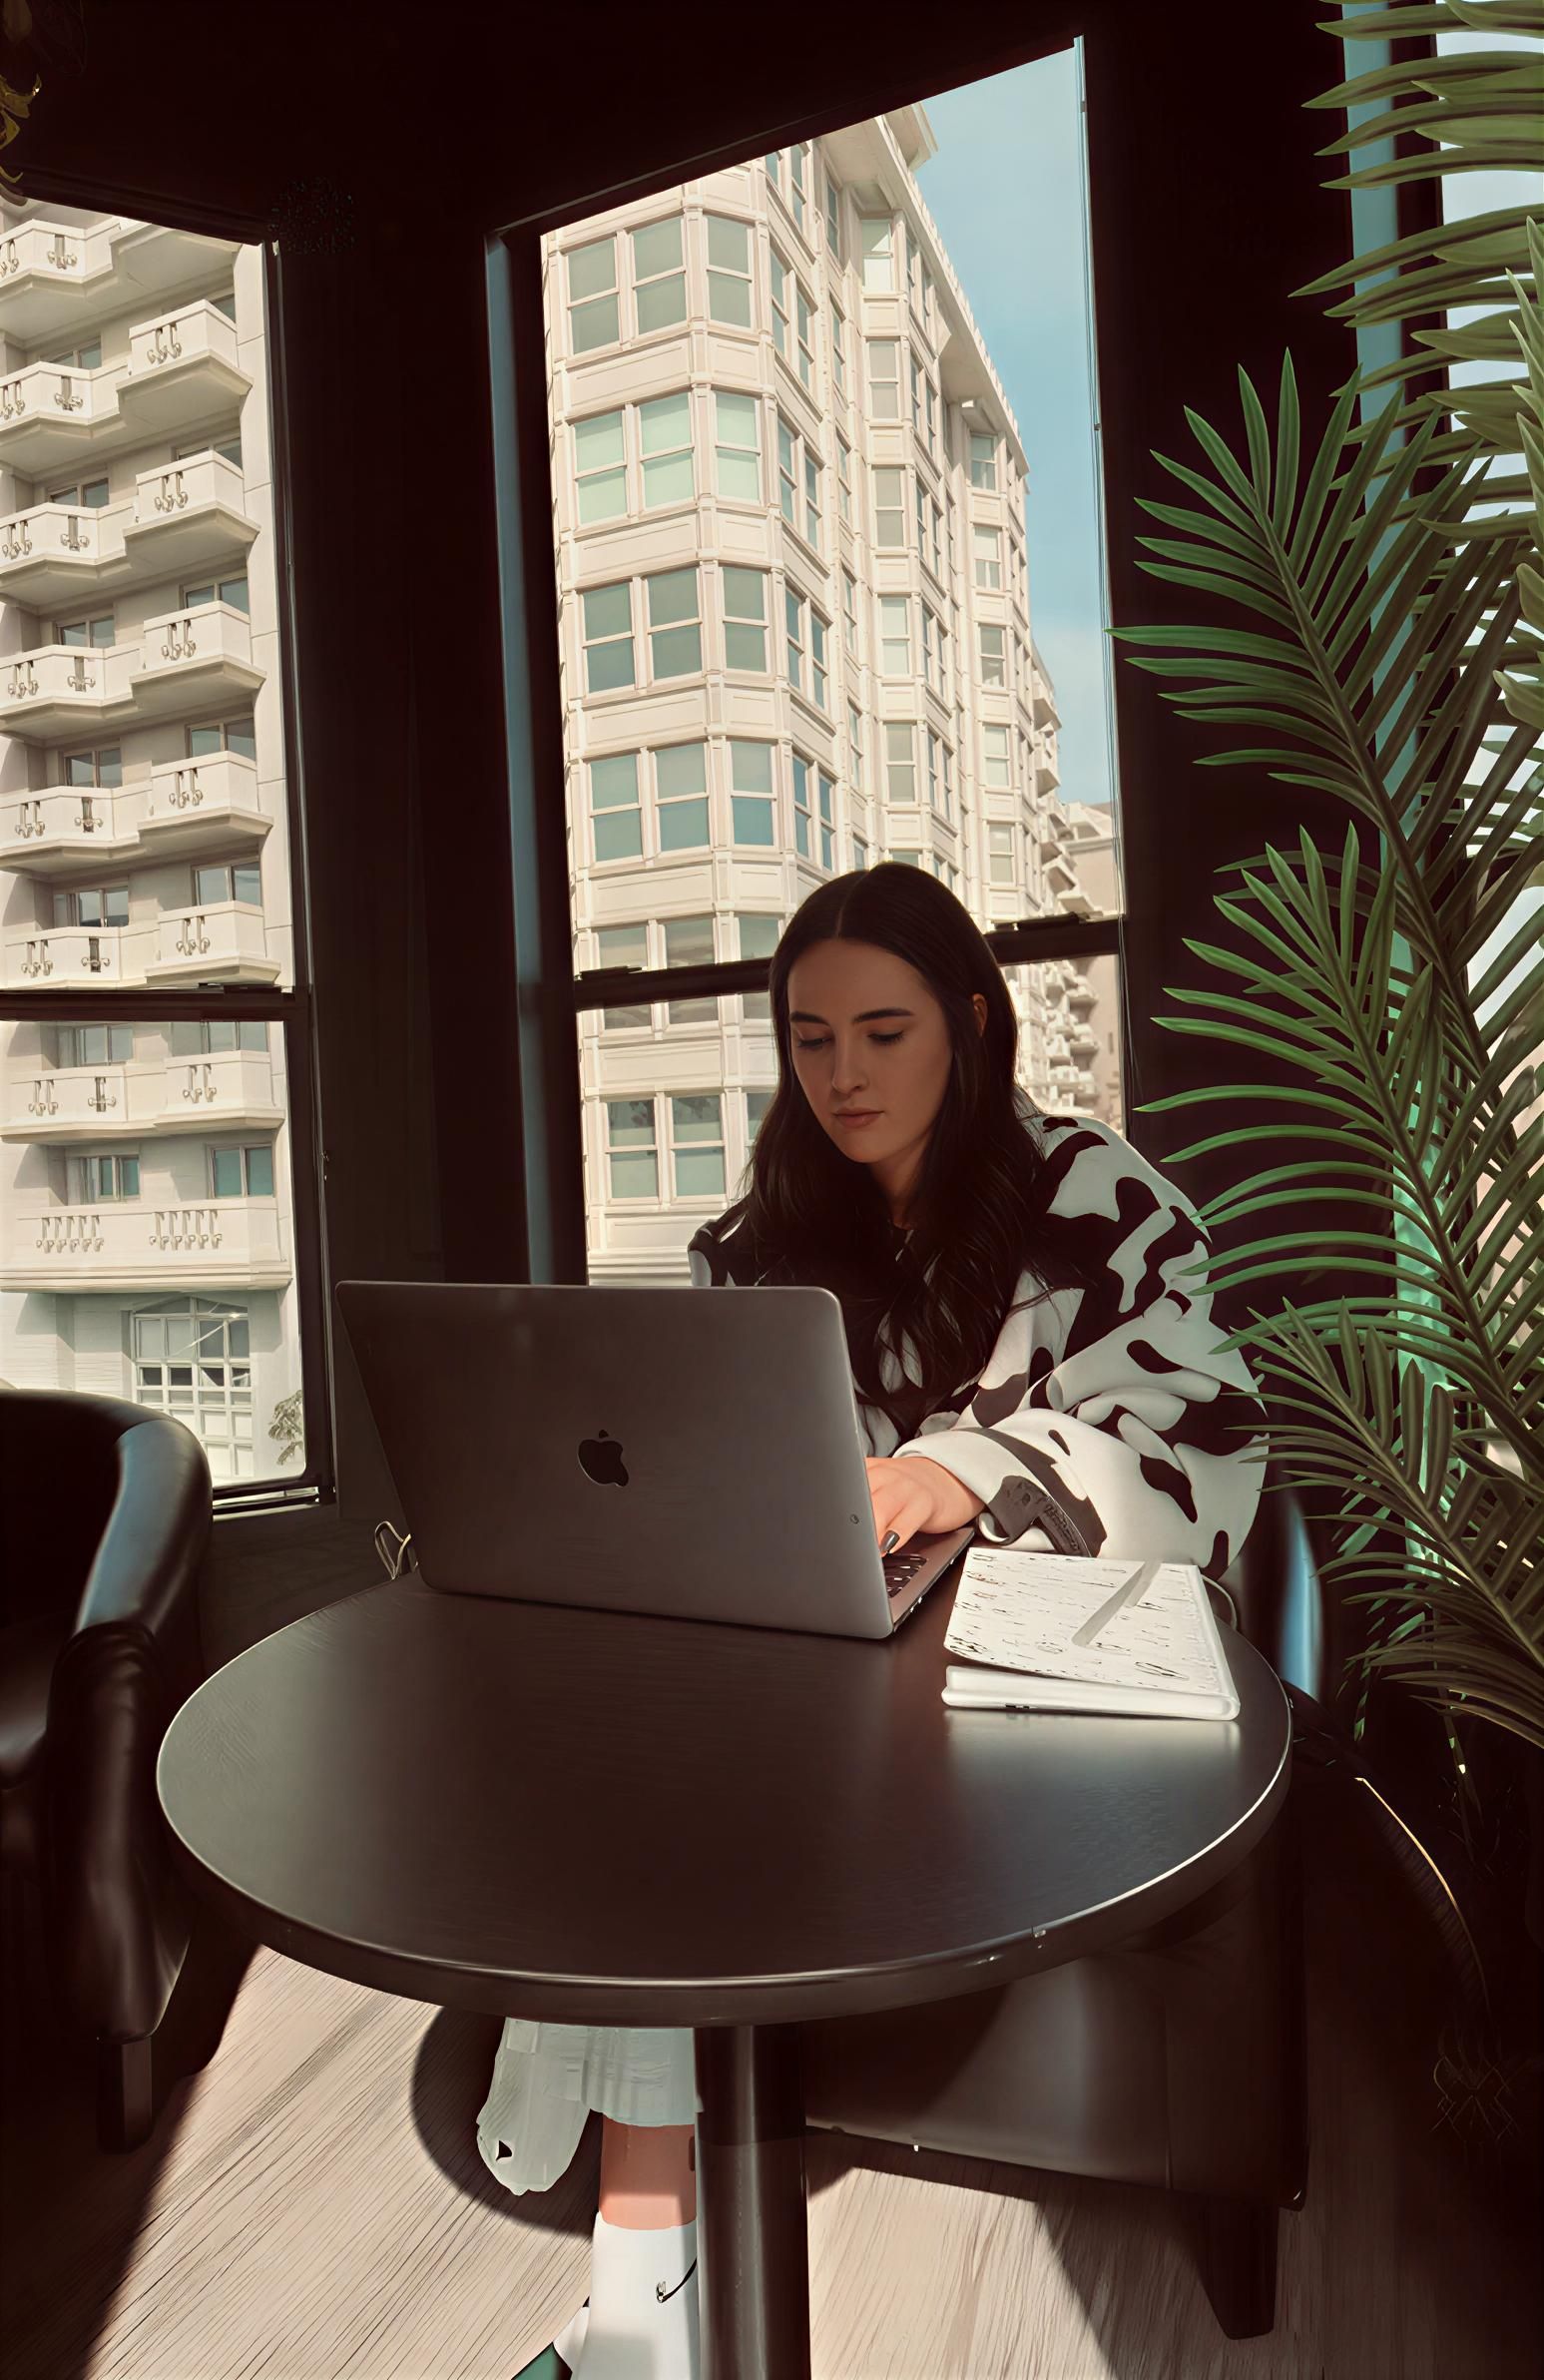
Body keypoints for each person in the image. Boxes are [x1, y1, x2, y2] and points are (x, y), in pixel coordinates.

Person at [483, 866, 1268, 2379]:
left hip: (1039, 1661)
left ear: (971, 1024)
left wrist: (954, 1472)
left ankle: (643, 2298)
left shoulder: (1101, 1203)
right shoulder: (765, 1232)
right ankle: (645, 2282)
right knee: (667, 1740)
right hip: (835, 1663)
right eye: (810, 1038)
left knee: (702, 1777)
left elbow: (1203, 1449)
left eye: (884, 1033)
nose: (842, 1075)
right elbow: (701, 1446)